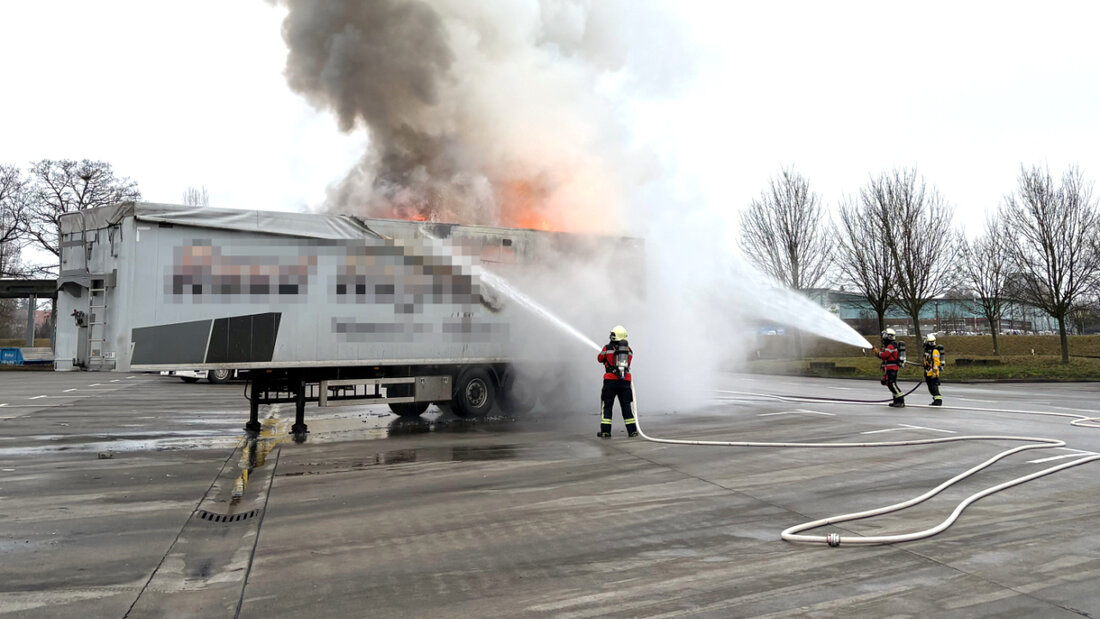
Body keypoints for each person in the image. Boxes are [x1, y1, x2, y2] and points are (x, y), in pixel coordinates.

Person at [597, 325, 636, 438]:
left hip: (610, 381)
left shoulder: (607, 348)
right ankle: (632, 431)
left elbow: (599, 359)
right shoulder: (629, 350)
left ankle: (605, 431)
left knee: (607, 406)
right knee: (626, 407)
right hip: (625, 381)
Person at [873, 328, 905, 407]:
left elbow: (885, 355)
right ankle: (896, 401)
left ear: (889, 336)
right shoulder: (888, 345)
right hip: (888, 368)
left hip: (892, 368)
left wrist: (878, 352)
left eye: (885, 335)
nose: (883, 337)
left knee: (892, 384)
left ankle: (901, 400)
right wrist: (876, 352)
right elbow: (882, 356)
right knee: (890, 384)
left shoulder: (891, 345)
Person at [923, 333, 943, 406]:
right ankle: (936, 399)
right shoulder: (927, 351)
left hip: (932, 372)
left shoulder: (934, 351)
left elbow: (936, 362)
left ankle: (938, 400)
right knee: (930, 388)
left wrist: (934, 373)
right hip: (928, 372)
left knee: (934, 387)